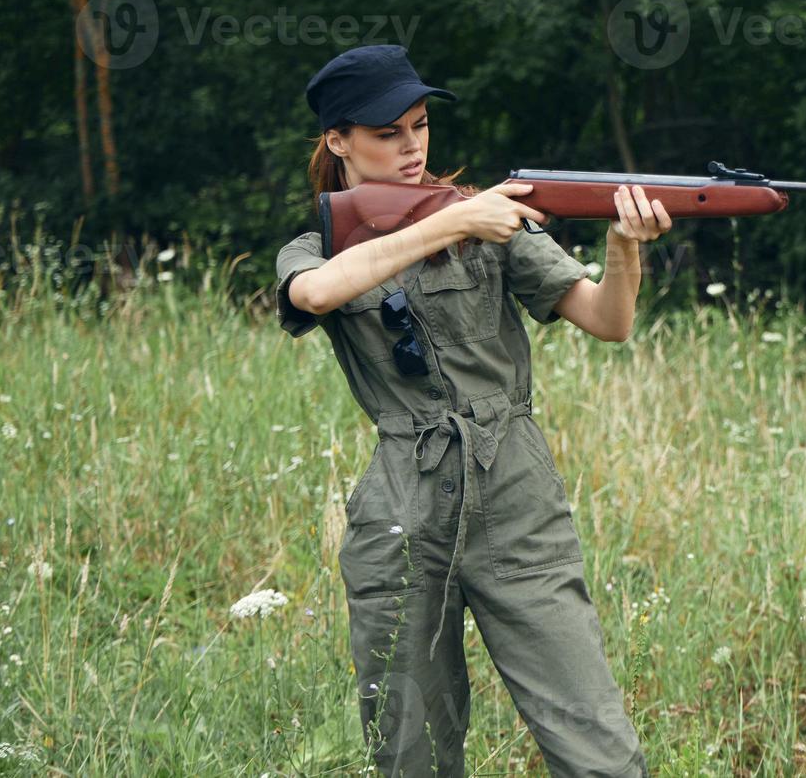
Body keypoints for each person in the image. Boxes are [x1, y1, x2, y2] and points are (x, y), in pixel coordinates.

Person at [274, 44, 671, 777]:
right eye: (388, 132)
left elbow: (608, 320)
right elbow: (317, 294)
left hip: (516, 494)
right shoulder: (320, 246)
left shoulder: (491, 221)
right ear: (338, 141)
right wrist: (453, 223)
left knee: (600, 753)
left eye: (420, 126)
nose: (412, 146)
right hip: (401, 509)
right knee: (412, 758)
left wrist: (623, 247)